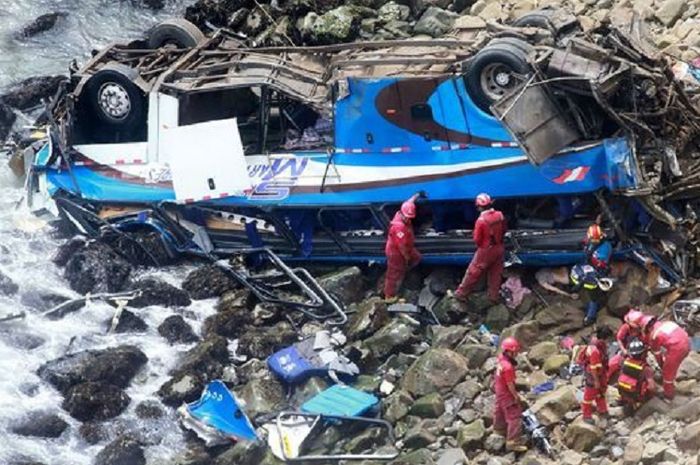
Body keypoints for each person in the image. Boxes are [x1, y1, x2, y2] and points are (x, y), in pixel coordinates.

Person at [455, 193, 507, 303]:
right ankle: (494, 296)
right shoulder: (500, 215)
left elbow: (477, 239)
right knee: (496, 273)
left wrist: (482, 247)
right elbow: (504, 229)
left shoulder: (481, 220)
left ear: (479, 206)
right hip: (499, 247)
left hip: (486, 249)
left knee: (473, 271)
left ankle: (461, 293)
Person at [383, 192, 424, 300]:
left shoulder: (404, 209)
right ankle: (389, 296)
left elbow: (409, 201)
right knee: (394, 273)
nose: (408, 219)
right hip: (396, 252)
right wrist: (407, 258)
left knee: (417, 258)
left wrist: (417, 195)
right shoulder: (399, 227)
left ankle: (406, 271)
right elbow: (402, 247)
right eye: (407, 217)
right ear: (402, 214)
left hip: (407, 246)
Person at [642, 315, 691, 400]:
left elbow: (657, 354)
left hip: (677, 349)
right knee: (671, 364)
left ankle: (668, 394)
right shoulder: (668, 323)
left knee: (667, 373)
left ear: (648, 328)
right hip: (686, 341)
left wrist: (662, 366)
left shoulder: (654, 335)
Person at [493, 337, 527, 452]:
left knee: (500, 410)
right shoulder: (508, 367)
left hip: (499, 391)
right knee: (514, 416)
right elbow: (510, 384)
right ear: (509, 351)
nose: (516, 354)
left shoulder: (501, 360)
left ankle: (499, 429)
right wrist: (516, 396)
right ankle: (513, 442)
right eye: (515, 352)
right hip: (506, 393)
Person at [577, 326, 613, 424]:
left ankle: (602, 409)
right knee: (589, 394)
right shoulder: (594, 351)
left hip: (600, 372)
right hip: (593, 374)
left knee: (601, 391)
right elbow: (593, 368)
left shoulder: (600, 345)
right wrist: (596, 380)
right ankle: (586, 415)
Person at [617, 337, 656, 412]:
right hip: (637, 396)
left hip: (624, 392)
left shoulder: (624, 362)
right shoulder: (646, 369)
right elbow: (652, 388)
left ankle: (625, 399)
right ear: (642, 353)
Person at [608, 309, 647, 380]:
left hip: (639, 351)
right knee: (613, 363)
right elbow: (619, 338)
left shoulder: (643, 329)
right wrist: (624, 350)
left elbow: (646, 341)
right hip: (626, 349)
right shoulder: (625, 328)